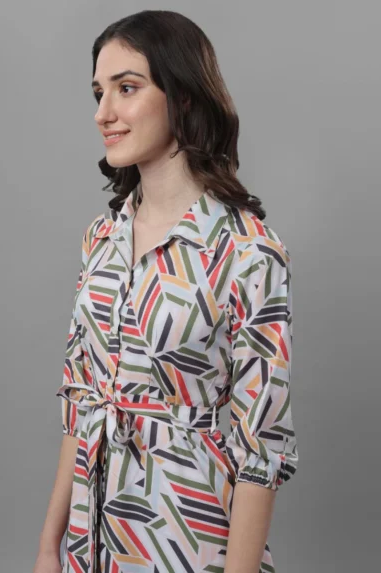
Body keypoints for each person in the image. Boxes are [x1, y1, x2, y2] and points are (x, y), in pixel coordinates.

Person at [34, 9, 298, 573]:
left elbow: (261, 447)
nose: (103, 113)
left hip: (185, 540)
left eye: (126, 88)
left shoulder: (247, 250)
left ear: (182, 96)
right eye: (98, 93)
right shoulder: (101, 239)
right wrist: (47, 548)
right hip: (89, 542)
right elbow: (82, 404)